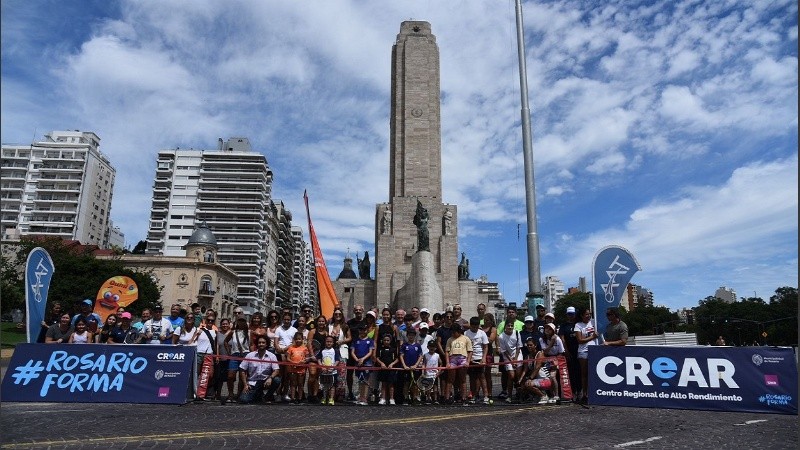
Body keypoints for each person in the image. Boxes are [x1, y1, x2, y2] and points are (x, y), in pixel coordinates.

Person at [238, 335, 282, 404]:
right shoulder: (250, 355)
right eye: (259, 342)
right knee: (244, 400)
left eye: (263, 342)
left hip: (265, 382)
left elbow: (276, 370)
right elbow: (242, 370)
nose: (261, 344)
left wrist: (270, 378)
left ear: (266, 344)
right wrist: (245, 384)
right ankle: (258, 395)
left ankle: (266, 397)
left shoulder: (272, 356)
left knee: (277, 380)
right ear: (257, 344)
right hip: (252, 383)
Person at [520, 340, 556, 404]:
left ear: (535, 345)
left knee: (528, 384)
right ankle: (538, 395)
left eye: (531, 345)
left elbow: (537, 368)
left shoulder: (540, 354)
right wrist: (520, 380)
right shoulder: (527, 357)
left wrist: (530, 379)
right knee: (523, 385)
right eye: (528, 345)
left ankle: (544, 396)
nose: (529, 346)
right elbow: (525, 370)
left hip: (545, 380)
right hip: (537, 379)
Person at [575, 308, 598, 404]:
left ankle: (594, 393)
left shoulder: (593, 322)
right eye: (586, 314)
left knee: (593, 373)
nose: (588, 316)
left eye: (589, 314)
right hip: (583, 351)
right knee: (584, 374)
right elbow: (579, 340)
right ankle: (585, 393)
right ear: (582, 315)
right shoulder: (578, 325)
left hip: (594, 350)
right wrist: (592, 337)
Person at [224, 317, 250, 402]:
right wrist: (229, 352)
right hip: (234, 355)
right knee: (230, 376)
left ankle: (238, 394)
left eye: (243, 321)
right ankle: (230, 394)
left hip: (245, 354)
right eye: (239, 322)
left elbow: (252, 345)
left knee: (242, 377)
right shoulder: (233, 332)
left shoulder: (248, 333)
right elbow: (225, 341)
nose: (241, 323)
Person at [465, 316, 490, 404]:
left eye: (476, 327)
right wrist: (468, 359)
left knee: (482, 377)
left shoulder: (482, 333)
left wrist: (483, 358)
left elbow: (485, 346)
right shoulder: (466, 333)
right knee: (472, 378)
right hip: (470, 358)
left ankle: (486, 396)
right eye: (473, 327)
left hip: (479, 357)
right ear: (470, 325)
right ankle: (474, 395)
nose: (475, 328)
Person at [445, 324, 472, 404]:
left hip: (462, 359)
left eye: (454, 332)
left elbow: (470, 351)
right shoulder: (450, 339)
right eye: (452, 332)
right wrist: (447, 363)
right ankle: (447, 398)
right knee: (450, 379)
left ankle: (463, 397)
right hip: (453, 359)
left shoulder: (466, 338)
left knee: (462, 379)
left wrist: (467, 361)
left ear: (459, 331)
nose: (453, 334)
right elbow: (447, 351)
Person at [558, 306, 581, 401]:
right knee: (571, 372)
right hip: (569, 351)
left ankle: (580, 391)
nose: (571, 316)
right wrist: (566, 351)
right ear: (567, 315)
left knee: (579, 372)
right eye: (569, 314)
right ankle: (573, 392)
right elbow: (562, 339)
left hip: (579, 351)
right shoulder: (564, 326)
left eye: (572, 314)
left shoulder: (578, 324)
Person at [497, 320, 523, 402]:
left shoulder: (516, 333)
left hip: (517, 354)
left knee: (518, 375)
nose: (510, 327)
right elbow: (504, 351)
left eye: (512, 325)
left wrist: (515, 359)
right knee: (511, 376)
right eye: (508, 326)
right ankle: (509, 395)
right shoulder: (501, 337)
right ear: (505, 327)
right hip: (507, 357)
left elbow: (519, 346)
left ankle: (519, 394)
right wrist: (511, 361)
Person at [346, 305, 366, 401]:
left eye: (360, 310)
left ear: (362, 311)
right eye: (356, 310)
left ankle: (361, 393)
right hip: (351, 350)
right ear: (354, 311)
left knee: (362, 373)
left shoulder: (366, 322)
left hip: (363, 350)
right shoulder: (350, 323)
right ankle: (350, 392)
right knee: (349, 373)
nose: (358, 311)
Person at [350, 326, 375, 406]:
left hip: (367, 363)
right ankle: (360, 397)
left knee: (366, 380)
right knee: (360, 380)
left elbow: (370, 352)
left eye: (364, 330)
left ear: (366, 330)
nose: (362, 332)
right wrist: (357, 359)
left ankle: (365, 398)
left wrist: (363, 359)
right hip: (358, 363)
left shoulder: (370, 341)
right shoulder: (355, 340)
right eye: (360, 330)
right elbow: (352, 352)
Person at [286, 331, 312, 404]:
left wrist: (303, 362)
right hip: (293, 368)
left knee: (300, 384)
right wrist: (293, 362)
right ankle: (293, 398)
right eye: (296, 339)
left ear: (302, 340)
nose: (298, 340)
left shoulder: (304, 348)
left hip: (301, 369)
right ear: (294, 339)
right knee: (293, 384)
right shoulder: (291, 348)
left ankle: (300, 398)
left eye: (299, 339)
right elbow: (288, 358)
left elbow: (307, 358)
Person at [399, 327, 423, 404]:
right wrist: (404, 366)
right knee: (406, 384)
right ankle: (406, 398)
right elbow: (401, 356)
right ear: (407, 335)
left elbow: (420, 356)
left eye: (412, 335)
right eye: (409, 335)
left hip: (415, 368)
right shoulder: (404, 345)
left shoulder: (417, 345)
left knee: (415, 384)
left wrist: (416, 365)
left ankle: (415, 397)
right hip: (406, 368)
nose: (411, 336)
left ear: (415, 336)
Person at [317, 334, 342, 405]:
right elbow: (319, 359)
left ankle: (331, 398)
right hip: (324, 372)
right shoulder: (322, 351)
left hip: (332, 372)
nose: (329, 343)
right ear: (325, 342)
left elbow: (337, 360)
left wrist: (333, 367)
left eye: (330, 342)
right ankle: (324, 398)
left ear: (333, 343)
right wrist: (322, 367)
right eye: (327, 341)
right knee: (324, 385)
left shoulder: (335, 350)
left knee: (332, 386)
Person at [375, 333, 398, 405]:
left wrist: (392, 364)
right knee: (383, 384)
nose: (386, 342)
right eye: (385, 340)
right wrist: (381, 363)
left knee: (391, 385)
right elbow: (377, 358)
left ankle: (391, 398)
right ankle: (383, 398)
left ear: (390, 341)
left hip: (391, 368)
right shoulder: (380, 349)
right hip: (383, 368)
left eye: (388, 340)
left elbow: (397, 359)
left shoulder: (393, 349)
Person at [480, 312, 498, 399]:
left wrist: (481, 335)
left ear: (491, 321)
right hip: (480, 352)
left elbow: (491, 340)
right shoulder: (481, 328)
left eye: (487, 320)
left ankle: (490, 392)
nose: (486, 322)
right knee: (481, 374)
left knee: (487, 373)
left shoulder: (493, 329)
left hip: (489, 353)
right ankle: (484, 392)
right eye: (484, 320)